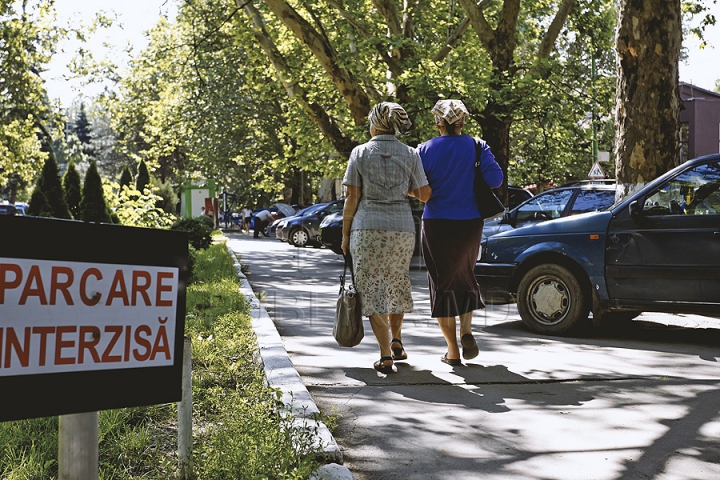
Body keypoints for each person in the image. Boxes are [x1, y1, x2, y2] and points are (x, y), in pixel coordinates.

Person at [341, 102, 432, 374]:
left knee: (371, 290)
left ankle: (384, 355)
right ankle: (397, 341)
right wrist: (404, 191)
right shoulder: (411, 153)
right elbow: (425, 194)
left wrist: (345, 234)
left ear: (374, 124)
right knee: (395, 283)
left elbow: (351, 198)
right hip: (403, 229)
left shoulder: (360, 153)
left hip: (367, 228)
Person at [417, 99, 503, 366]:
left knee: (441, 284)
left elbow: (418, 189)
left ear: (438, 122)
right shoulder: (478, 146)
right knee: (465, 276)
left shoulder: (423, 150)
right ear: (463, 122)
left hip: (436, 223)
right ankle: (467, 330)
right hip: (469, 222)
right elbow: (495, 180)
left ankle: (452, 350)